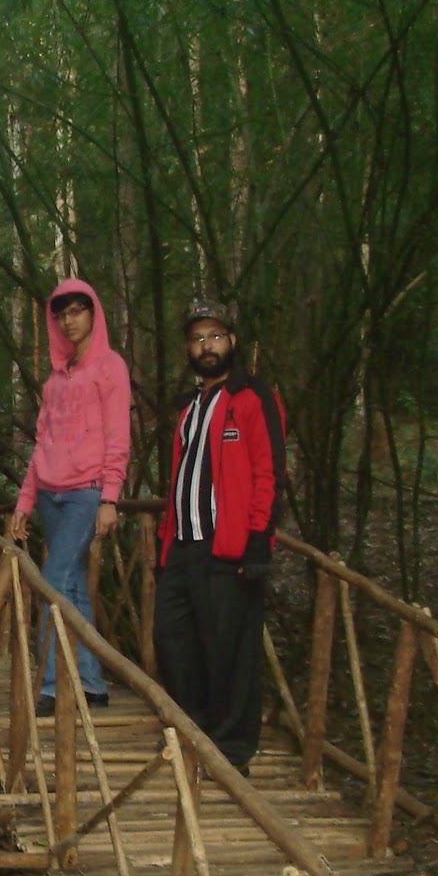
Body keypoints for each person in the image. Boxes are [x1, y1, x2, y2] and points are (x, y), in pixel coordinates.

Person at [153, 299, 288, 772]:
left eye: (214, 336)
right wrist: (164, 544)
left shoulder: (253, 398)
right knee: (173, 640)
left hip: (228, 547)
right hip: (182, 546)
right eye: (197, 339)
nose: (206, 346)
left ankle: (230, 751)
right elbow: (180, 478)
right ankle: (192, 735)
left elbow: (269, 471)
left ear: (232, 341)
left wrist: (259, 542)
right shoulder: (189, 407)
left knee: (229, 649)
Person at [8, 278, 132, 716]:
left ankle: (52, 685)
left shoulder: (110, 367)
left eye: (77, 311)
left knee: (53, 582)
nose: (69, 321)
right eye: (61, 315)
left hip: (86, 493)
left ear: (93, 313)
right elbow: (41, 445)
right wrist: (24, 503)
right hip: (50, 494)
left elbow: (118, 436)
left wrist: (110, 497)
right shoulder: (56, 380)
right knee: (72, 587)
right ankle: (92, 683)